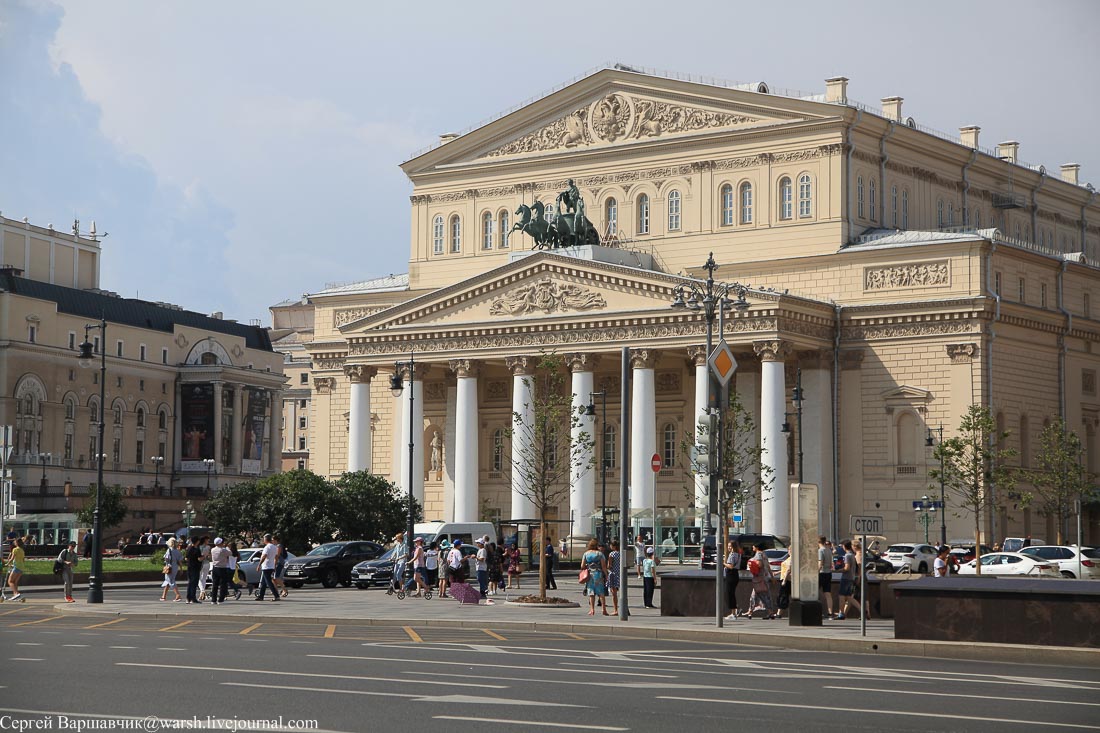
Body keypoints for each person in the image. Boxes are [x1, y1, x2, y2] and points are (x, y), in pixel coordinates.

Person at [745, 543, 775, 619]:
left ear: (757, 547)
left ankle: (751, 612)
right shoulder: (764, 555)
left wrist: (751, 563)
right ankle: (770, 612)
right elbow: (768, 567)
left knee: (755, 596)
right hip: (764, 578)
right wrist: (772, 577)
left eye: (753, 546)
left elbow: (759, 564)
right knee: (765, 596)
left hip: (759, 579)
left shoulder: (758, 554)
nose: (752, 547)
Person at [581, 539, 609, 616]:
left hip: (590, 575)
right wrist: (606, 575)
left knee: (591, 593)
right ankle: (604, 609)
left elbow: (582, 566)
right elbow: (604, 566)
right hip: (598, 574)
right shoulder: (600, 554)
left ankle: (592, 610)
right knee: (601, 593)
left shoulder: (586, 554)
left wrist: (588, 566)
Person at [837, 540, 860, 620]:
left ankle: (841, 613)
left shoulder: (847, 555)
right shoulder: (853, 555)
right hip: (851, 578)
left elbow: (847, 568)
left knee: (841, 596)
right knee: (849, 597)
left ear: (844, 546)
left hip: (846, 578)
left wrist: (838, 570)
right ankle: (862, 610)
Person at [255, 534, 280, 602]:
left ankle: (276, 595)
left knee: (269, 582)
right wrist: (274, 565)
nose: (263, 540)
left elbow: (264, 556)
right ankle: (261, 596)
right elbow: (276, 557)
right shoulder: (274, 547)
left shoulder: (267, 547)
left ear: (266, 539)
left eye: (264, 539)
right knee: (263, 582)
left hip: (266, 566)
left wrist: (259, 565)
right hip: (271, 566)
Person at [723, 539, 742, 621]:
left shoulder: (733, 555)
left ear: (734, 547)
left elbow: (730, 566)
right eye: (728, 546)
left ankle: (734, 612)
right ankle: (734, 611)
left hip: (731, 575)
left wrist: (723, 563)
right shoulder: (737, 554)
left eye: (730, 546)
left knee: (729, 594)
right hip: (734, 575)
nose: (729, 548)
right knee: (730, 594)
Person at [209, 537, 231, 605]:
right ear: (220, 543)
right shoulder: (223, 550)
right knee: (223, 584)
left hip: (215, 567)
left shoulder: (212, 549)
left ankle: (213, 599)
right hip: (222, 568)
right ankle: (221, 599)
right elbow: (230, 553)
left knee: (215, 584)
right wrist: (227, 547)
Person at [818, 536, 836, 619]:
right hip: (828, 573)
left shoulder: (820, 551)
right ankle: (830, 613)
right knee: (828, 593)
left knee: (815, 593)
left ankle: (818, 611)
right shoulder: (829, 550)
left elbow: (820, 563)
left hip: (821, 573)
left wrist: (816, 572)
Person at [160, 538, 182, 602]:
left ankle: (178, 595)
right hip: (175, 566)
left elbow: (166, 558)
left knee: (171, 581)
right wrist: (181, 569)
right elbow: (180, 561)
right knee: (168, 581)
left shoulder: (169, 550)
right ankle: (163, 596)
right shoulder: (177, 551)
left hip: (169, 566)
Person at [6, 537, 25, 602]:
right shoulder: (22, 550)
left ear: (16, 543)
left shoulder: (15, 549)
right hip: (21, 568)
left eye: (14, 541)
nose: (14, 542)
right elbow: (22, 560)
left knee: (10, 581)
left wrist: (7, 563)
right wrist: (12, 565)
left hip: (16, 567)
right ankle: (15, 595)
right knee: (15, 582)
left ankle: (16, 593)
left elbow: (12, 558)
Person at [185, 536, 203, 604]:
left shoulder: (189, 548)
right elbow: (199, 559)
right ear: (197, 541)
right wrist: (204, 556)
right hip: (195, 567)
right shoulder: (196, 549)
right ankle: (193, 598)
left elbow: (186, 558)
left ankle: (188, 598)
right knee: (194, 583)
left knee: (190, 583)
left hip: (189, 567)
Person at [196, 536, 212, 601]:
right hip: (207, 563)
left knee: (199, 578)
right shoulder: (208, 547)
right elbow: (210, 556)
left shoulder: (199, 547)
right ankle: (202, 593)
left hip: (201, 563)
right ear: (205, 540)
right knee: (203, 578)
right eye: (208, 540)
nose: (208, 541)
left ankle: (202, 591)